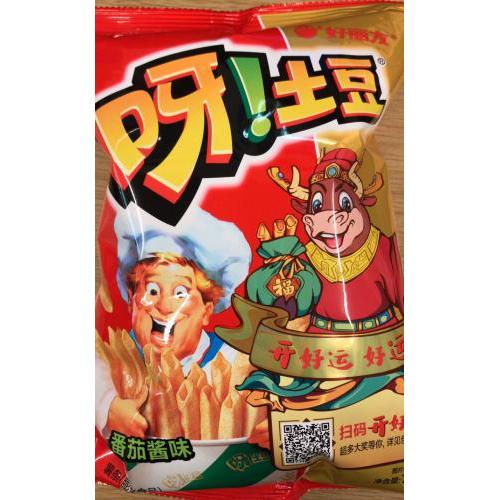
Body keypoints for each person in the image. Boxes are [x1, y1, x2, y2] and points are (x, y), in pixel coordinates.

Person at [95, 200, 251, 437]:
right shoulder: (110, 355)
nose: (165, 306)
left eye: (180, 293)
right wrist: (108, 407)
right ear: (131, 299)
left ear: (207, 311)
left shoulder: (232, 362)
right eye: (152, 290)